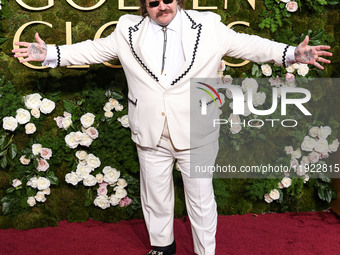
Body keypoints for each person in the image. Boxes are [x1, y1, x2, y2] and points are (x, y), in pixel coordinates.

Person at [12, 1, 332, 254]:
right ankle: (162, 246)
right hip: (150, 131)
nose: (161, 6)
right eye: (153, 2)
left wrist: (291, 54)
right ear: (144, 5)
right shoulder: (127, 30)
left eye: (167, 0)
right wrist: (50, 53)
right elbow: (91, 51)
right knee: (155, 196)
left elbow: (248, 44)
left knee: (201, 199)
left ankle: (205, 252)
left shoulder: (208, 27)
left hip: (197, 131)